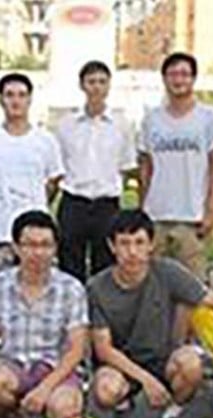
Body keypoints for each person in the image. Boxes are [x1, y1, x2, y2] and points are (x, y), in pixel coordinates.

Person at [89, 209, 213, 418]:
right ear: (111, 246)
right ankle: (123, 406)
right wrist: (146, 381)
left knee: (192, 365)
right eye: (124, 243)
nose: (132, 252)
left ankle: (172, 415)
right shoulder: (96, 287)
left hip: (162, 357)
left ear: (151, 245)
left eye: (139, 242)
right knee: (105, 391)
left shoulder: (167, 271)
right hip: (121, 364)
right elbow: (104, 350)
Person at [0, 210, 88, 418]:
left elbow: (77, 348)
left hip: (55, 367)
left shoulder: (71, 288)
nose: (37, 253)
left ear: (55, 248)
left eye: (45, 245)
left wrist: (45, 388)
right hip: (13, 364)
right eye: (30, 245)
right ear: (16, 247)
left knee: (65, 407)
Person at [138, 52, 213, 278]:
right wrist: (143, 207)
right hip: (156, 216)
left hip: (192, 217)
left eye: (184, 74)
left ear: (193, 79)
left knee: (192, 288)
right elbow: (146, 166)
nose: (178, 80)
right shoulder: (152, 119)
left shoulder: (209, 117)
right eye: (173, 74)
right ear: (164, 78)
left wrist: (210, 209)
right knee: (154, 285)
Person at [0, 73, 64, 280]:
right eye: (9, 95)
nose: (15, 100)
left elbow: (54, 181)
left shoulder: (46, 140)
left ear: (30, 99)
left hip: (36, 235)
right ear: (1, 99)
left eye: (21, 95)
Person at [55, 60, 137, 282]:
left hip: (107, 204)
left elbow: (127, 166)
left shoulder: (122, 125)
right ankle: (72, 312)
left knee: (106, 266)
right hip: (74, 201)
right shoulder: (66, 125)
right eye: (91, 81)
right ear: (82, 85)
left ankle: (101, 314)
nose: (97, 87)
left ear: (109, 86)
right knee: (69, 264)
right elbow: (57, 166)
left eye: (102, 81)